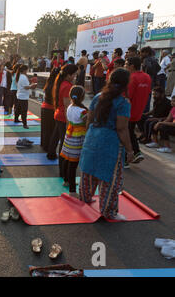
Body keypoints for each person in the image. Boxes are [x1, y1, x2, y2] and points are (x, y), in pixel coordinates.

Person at [79, 68, 134, 221]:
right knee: (110, 177)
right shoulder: (123, 103)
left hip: (92, 136)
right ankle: (108, 211)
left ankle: (85, 198)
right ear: (125, 84)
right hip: (110, 141)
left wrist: (89, 135)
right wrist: (130, 150)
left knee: (88, 170)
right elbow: (122, 129)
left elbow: (89, 119)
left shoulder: (98, 97)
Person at [46, 64, 79, 179]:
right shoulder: (67, 86)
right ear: (69, 75)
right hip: (63, 117)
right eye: (74, 74)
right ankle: (63, 172)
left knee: (56, 137)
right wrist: (69, 123)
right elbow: (66, 106)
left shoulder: (61, 82)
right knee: (64, 146)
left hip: (58, 114)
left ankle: (51, 154)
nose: (75, 76)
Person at [60, 86, 88, 196]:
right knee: (73, 164)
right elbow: (87, 124)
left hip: (69, 135)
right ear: (82, 97)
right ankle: (72, 190)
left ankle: (66, 181)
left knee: (67, 159)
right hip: (78, 137)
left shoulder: (70, 107)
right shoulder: (83, 111)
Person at [125, 57, 152, 167]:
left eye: (126, 64)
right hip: (139, 111)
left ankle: (128, 158)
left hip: (129, 111)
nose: (125, 66)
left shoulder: (132, 78)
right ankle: (136, 152)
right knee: (130, 132)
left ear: (131, 66)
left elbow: (128, 96)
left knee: (125, 134)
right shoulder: (147, 77)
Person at [40, 67, 60, 152]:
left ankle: (44, 145)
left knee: (45, 129)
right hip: (51, 109)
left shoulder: (49, 82)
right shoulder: (56, 85)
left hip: (44, 107)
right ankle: (47, 147)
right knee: (51, 130)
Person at [15, 65, 37, 129]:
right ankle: (25, 124)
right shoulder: (23, 77)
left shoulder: (20, 76)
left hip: (20, 95)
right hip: (23, 96)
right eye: (27, 70)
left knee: (18, 109)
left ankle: (16, 119)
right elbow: (26, 87)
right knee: (24, 111)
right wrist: (32, 85)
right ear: (25, 70)